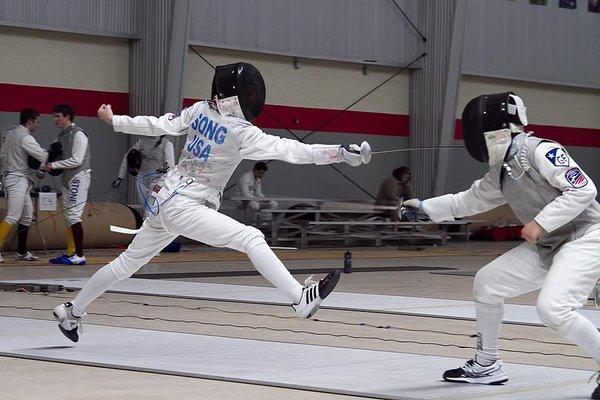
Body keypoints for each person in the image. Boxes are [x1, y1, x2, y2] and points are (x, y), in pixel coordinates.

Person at [53, 62, 371, 342]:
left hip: (164, 200)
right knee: (251, 237)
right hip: (184, 206)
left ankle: (72, 311)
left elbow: (162, 124)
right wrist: (341, 153)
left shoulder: (200, 111)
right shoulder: (243, 132)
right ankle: (299, 298)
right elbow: (293, 150)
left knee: (126, 265)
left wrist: (117, 120)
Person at [404, 92, 600, 398]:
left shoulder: (541, 151)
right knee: (488, 283)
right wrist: (426, 208)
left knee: (553, 309)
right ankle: (487, 364)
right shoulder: (501, 171)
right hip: (551, 245)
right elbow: (468, 200)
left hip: (587, 237)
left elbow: (583, 189)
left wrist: (541, 222)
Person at [44, 104, 91, 266]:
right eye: (54, 116)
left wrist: (54, 166)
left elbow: (77, 159)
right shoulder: (61, 136)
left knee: (73, 215)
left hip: (79, 177)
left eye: (58, 116)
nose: (55, 120)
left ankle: (79, 255)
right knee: (68, 215)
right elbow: (52, 155)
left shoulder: (79, 134)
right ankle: (71, 252)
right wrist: (47, 162)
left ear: (67, 117)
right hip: (67, 178)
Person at [0, 108, 48, 262]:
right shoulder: (25, 137)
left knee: (27, 216)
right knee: (13, 216)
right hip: (16, 180)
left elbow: (2, 156)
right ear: (30, 121)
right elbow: (42, 155)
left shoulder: (9, 134)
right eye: (37, 122)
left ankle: (21, 252)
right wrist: (52, 151)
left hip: (19, 179)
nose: (38, 125)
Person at [112, 136, 175, 218]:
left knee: (149, 209)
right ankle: (147, 226)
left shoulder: (167, 144)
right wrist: (120, 177)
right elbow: (127, 157)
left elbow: (170, 166)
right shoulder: (142, 142)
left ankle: (146, 228)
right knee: (146, 207)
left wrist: (160, 183)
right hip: (142, 180)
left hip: (157, 180)